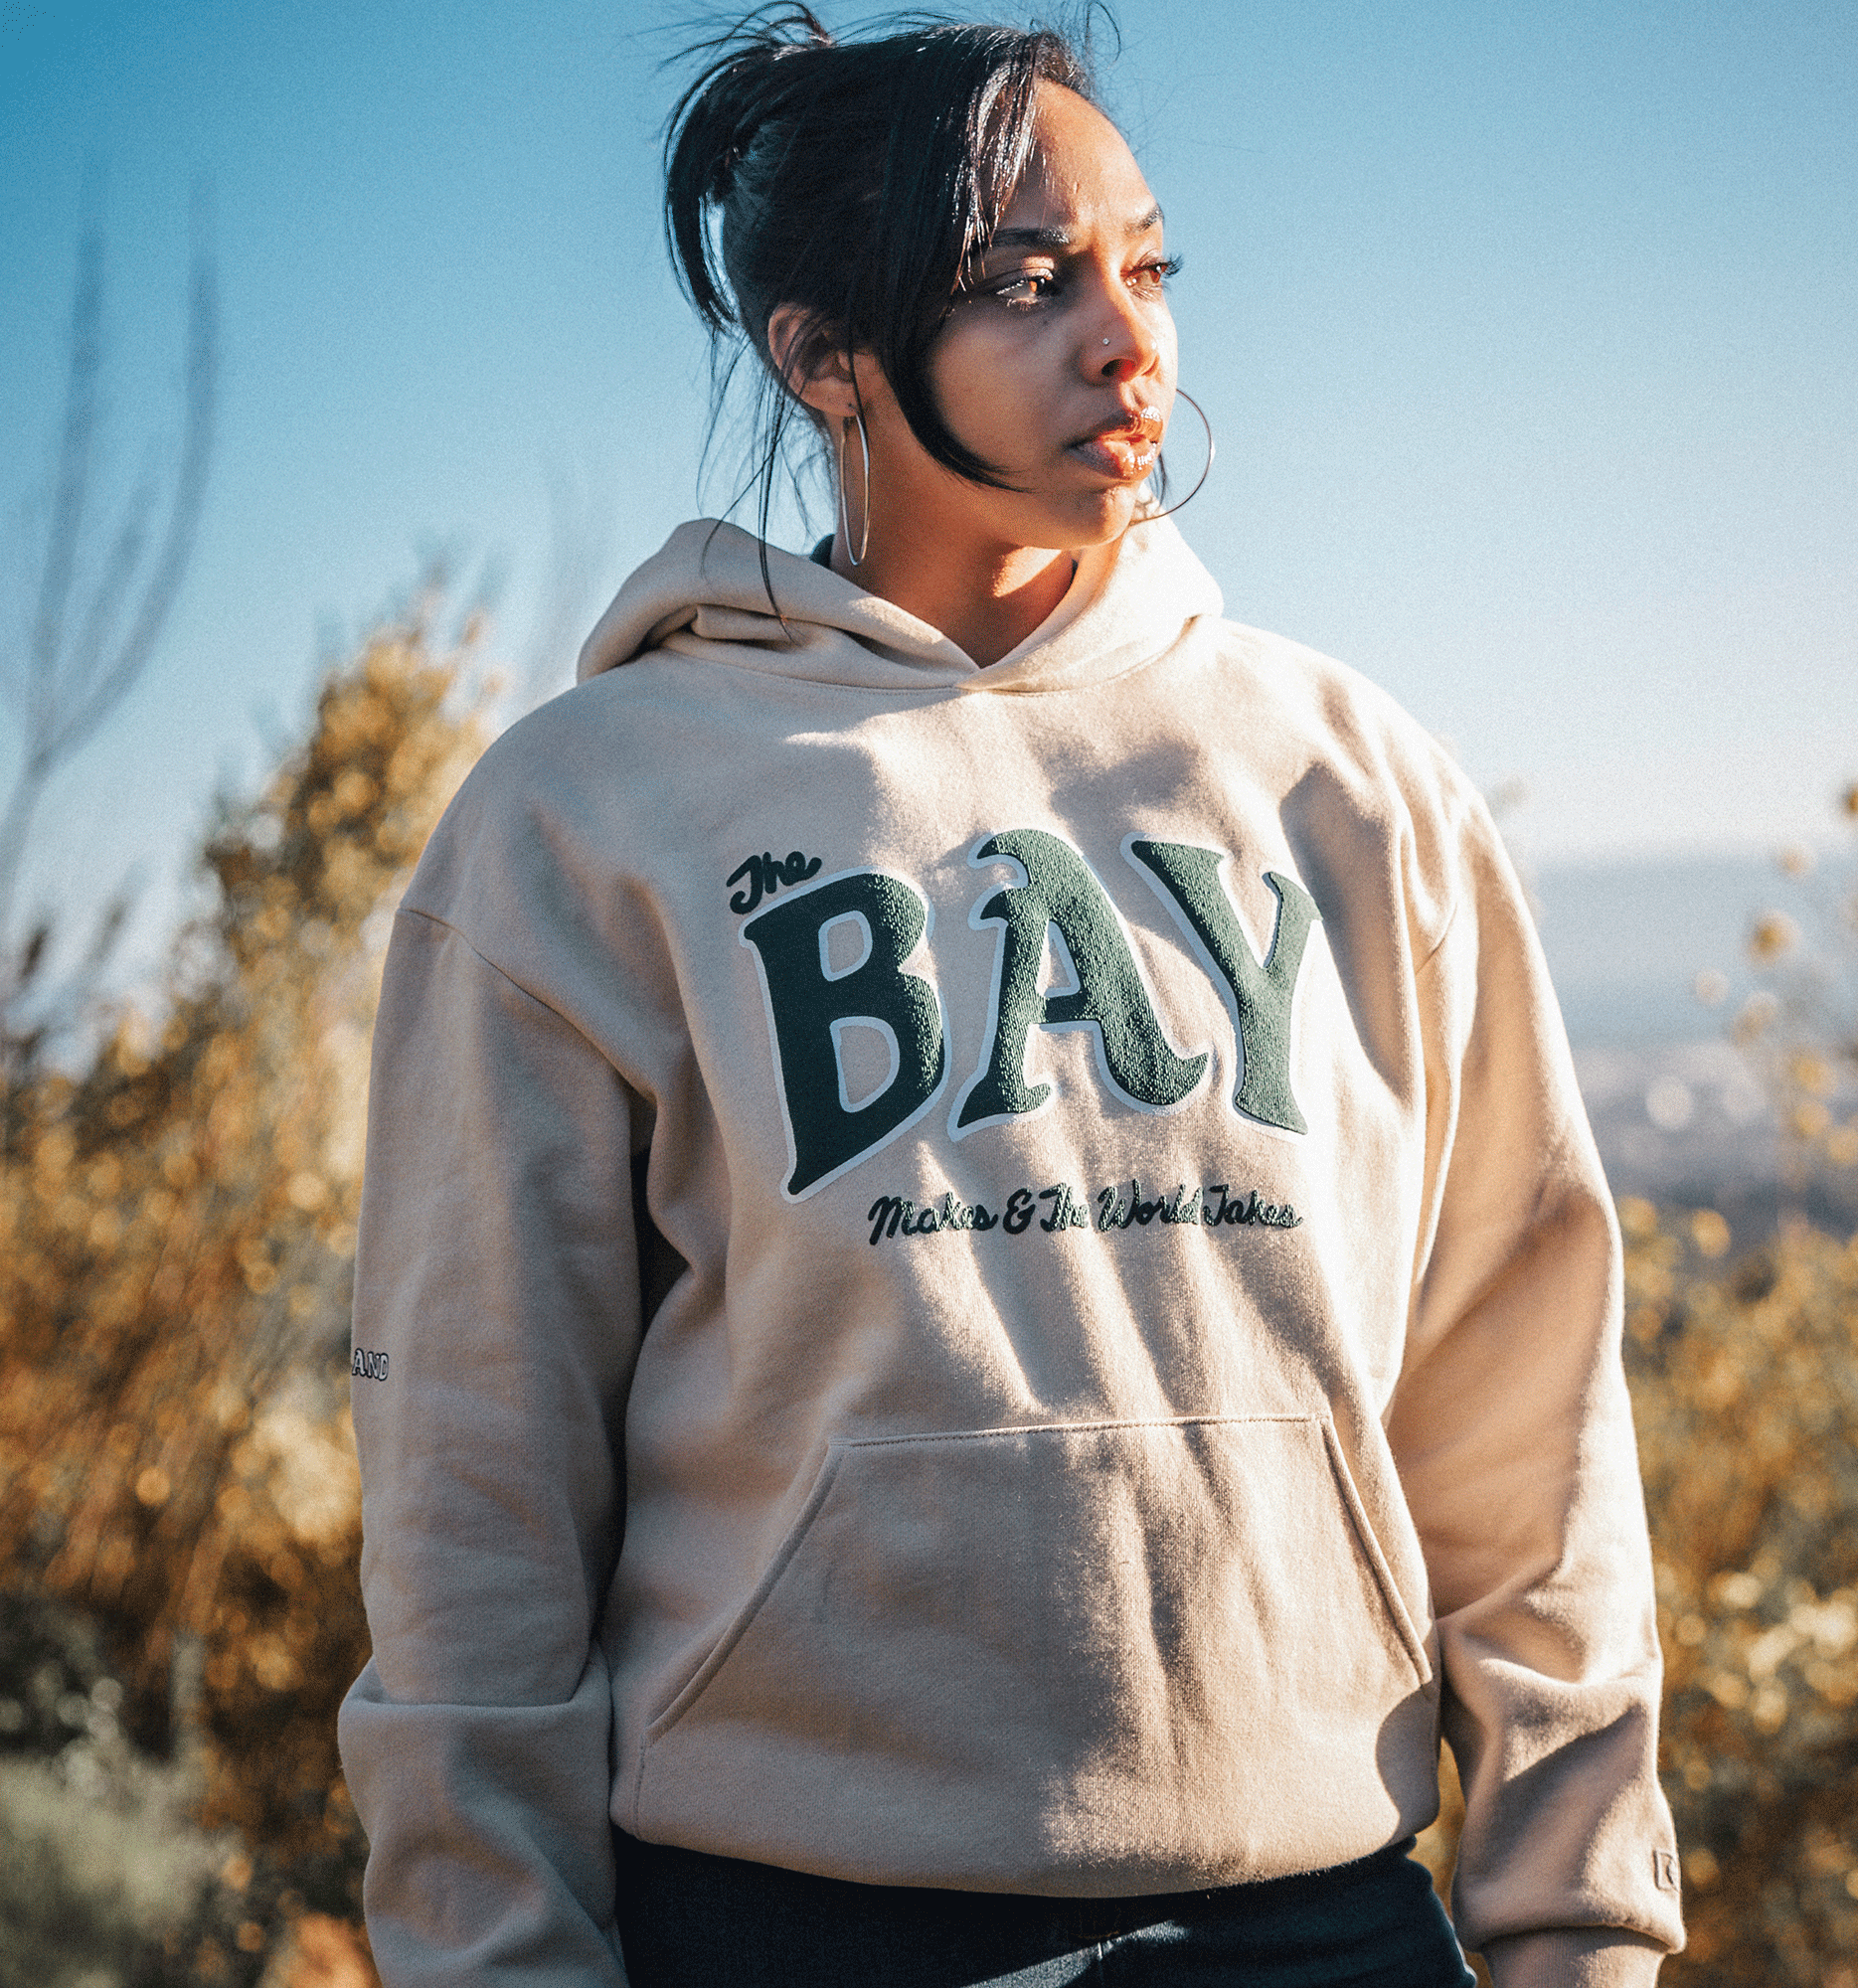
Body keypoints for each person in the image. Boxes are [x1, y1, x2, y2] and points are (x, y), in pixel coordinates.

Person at [338, 11, 1686, 1985]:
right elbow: (475, 1492)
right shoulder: (589, 812)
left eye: (1145, 268)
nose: (1125, 343)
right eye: (1019, 282)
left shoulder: (1350, 778)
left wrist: (1579, 1929)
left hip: (1321, 1922)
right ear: (821, 352)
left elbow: (1527, 1410)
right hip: (792, 1931)